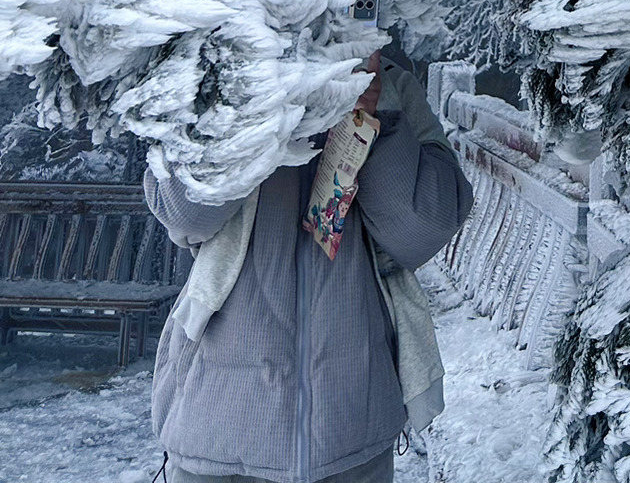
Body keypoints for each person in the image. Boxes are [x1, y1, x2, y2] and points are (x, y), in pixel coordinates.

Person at [145, 52, 474, 483]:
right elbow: (183, 214)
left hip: (352, 435)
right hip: (218, 432)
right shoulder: (210, 70)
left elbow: (423, 229)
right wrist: (249, 99)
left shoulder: (394, 86)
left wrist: (373, 117)